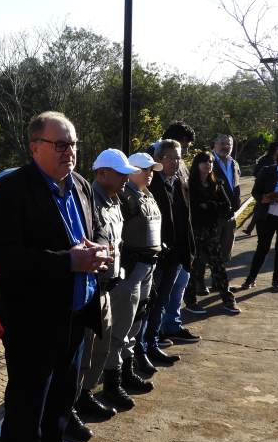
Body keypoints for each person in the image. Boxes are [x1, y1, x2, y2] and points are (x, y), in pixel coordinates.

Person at [0, 112, 110, 442]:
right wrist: (69, 261)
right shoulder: (9, 190)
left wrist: (94, 249)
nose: (69, 152)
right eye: (61, 144)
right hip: (32, 325)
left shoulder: (80, 187)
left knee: (59, 407)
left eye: (73, 144)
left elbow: (86, 233)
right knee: (26, 416)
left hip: (75, 316)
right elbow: (2, 257)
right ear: (34, 146)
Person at [72, 149, 140, 425]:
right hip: (89, 287)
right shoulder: (89, 201)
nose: (127, 179)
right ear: (102, 173)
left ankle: (86, 394)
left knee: (101, 345)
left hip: (107, 287)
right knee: (83, 351)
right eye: (121, 174)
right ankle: (71, 405)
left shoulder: (114, 201)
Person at [105, 152, 177, 392]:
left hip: (148, 268)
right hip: (131, 270)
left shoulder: (147, 195)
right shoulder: (124, 198)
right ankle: (114, 382)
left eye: (151, 170)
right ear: (130, 170)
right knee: (121, 328)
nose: (149, 174)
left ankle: (128, 369)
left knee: (135, 323)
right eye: (144, 169)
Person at [141, 139, 199, 352]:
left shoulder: (180, 183)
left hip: (176, 255)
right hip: (155, 256)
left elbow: (187, 219)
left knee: (163, 301)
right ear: (157, 159)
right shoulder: (149, 185)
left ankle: (153, 344)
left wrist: (189, 250)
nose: (175, 162)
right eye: (170, 158)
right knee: (148, 303)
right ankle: (141, 348)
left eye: (178, 157)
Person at [235, 145, 278, 291]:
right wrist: (262, 199)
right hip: (266, 216)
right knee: (262, 248)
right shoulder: (267, 171)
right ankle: (250, 279)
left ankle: (276, 281)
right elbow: (255, 191)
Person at [182, 151, 241, 314]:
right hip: (196, 230)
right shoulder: (190, 185)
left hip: (212, 230)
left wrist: (208, 205)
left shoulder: (216, 183)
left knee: (218, 265)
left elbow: (226, 206)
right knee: (193, 267)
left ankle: (228, 300)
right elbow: (193, 209)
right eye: (204, 161)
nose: (208, 164)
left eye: (210, 162)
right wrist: (214, 207)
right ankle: (191, 301)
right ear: (197, 164)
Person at [243, 141, 278, 235]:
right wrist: (263, 179)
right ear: (274, 150)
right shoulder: (264, 160)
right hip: (265, 188)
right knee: (260, 207)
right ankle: (250, 228)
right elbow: (256, 172)